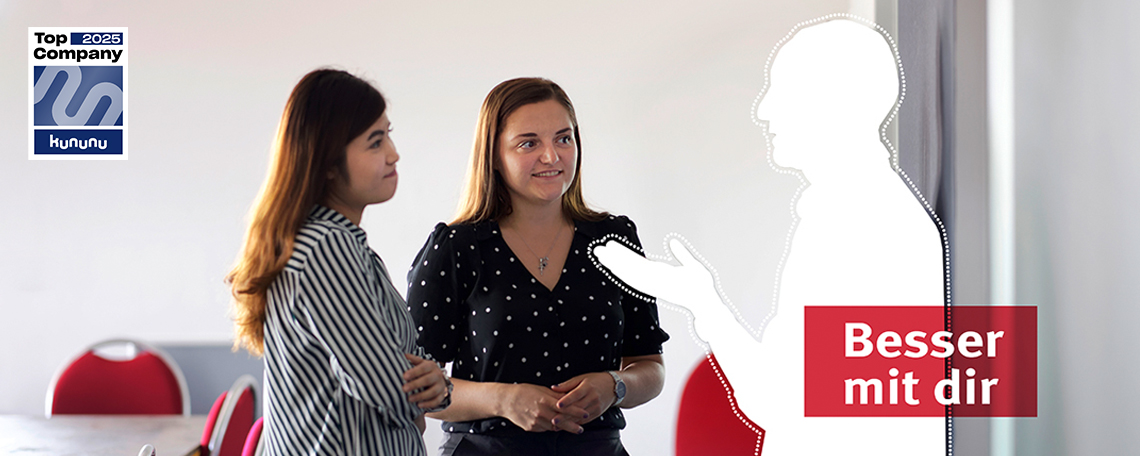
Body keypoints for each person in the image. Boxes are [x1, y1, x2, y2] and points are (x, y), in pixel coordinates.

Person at [407, 77, 668, 455]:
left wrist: (615, 386)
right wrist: (503, 400)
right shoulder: (457, 247)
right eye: (529, 143)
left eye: (563, 138)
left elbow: (650, 366)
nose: (551, 156)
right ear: (493, 155)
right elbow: (415, 386)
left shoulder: (615, 239)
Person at [227, 69, 450, 456]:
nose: (393, 153)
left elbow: (410, 367)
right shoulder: (327, 247)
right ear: (327, 163)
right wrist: (428, 394)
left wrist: (436, 384)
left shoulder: (339, 243)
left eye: (388, 135)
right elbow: (395, 390)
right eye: (375, 142)